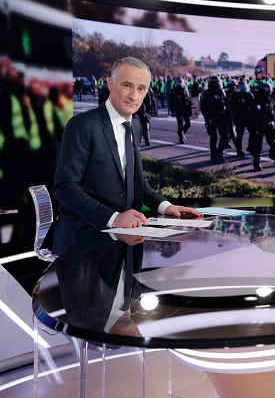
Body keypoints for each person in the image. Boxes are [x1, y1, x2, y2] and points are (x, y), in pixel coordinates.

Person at [51, 57, 203, 254]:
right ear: (111, 84)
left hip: (124, 239)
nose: (134, 95)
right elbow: (64, 187)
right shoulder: (82, 125)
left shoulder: (135, 126)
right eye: (127, 85)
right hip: (84, 243)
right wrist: (113, 217)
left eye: (141, 88)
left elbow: (134, 179)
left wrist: (166, 206)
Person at [249, 83, 275, 172]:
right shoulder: (256, 101)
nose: (270, 93)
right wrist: (253, 128)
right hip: (259, 126)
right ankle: (256, 164)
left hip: (269, 126)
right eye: (268, 91)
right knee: (258, 146)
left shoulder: (270, 101)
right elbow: (251, 116)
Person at [200, 76, 230, 163]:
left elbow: (226, 104)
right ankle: (214, 157)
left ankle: (219, 153)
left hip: (221, 117)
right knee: (214, 138)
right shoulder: (206, 93)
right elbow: (203, 107)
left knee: (225, 136)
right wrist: (207, 119)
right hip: (211, 118)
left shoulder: (221, 92)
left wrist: (228, 118)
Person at [229, 79, 255, 157]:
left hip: (248, 118)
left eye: (244, 86)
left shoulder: (249, 94)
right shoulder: (235, 95)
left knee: (253, 133)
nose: (243, 88)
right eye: (241, 87)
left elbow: (253, 105)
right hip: (239, 118)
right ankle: (239, 150)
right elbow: (231, 107)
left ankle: (251, 147)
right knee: (240, 136)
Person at [169, 77, 191, 144]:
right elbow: (171, 102)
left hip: (184, 109)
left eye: (181, 82)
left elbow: (188, 100)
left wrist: (190, 111)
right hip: (177, 109)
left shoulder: (185, 90)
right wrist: (172, 111)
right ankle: (181, 138)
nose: (180, 83)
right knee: (180, 124)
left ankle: (181, 133)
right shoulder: (173, 91)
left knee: (188, 123)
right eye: (178, 82)